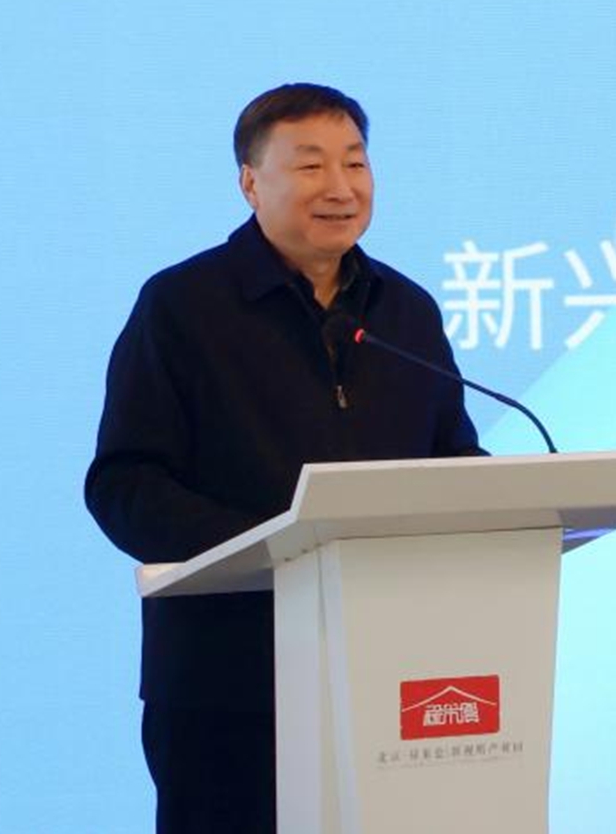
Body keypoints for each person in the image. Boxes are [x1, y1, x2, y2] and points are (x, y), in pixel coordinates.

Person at [85, 82, 482, 832]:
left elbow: (450, 454)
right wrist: (277, 546)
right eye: (309, 165)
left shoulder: (406, 310)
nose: (340, 187)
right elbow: (123, 484)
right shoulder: (182, 306)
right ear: (249, 182)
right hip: (227, 685)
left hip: (391, 672)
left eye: (355, 162)